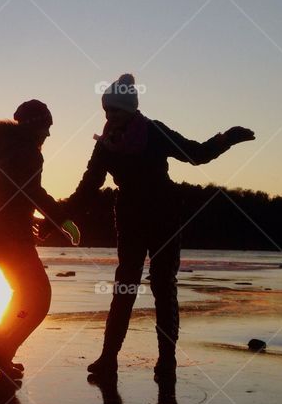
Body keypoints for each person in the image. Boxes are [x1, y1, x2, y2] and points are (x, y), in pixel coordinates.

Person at [62, 74, 254, 380]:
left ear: (132, 109)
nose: (111, 118)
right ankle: (108, 358)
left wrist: (225, 139)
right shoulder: (107, 146)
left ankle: (167, 361)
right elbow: (88, 188)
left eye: (116, 111)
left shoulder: (154, 131)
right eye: (107, 112)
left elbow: (195, 154)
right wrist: (57, 216)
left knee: (163, 286)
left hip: (164, 214)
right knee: (124, 287)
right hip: (129, 218)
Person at [0, 100, 78, 387]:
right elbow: (32, 192)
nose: (48, 134)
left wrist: (30, 219)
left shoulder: (6, 147)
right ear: (35, 126)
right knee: (37, 298)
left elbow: (14, 193)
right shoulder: (28, 152)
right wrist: (63, 220)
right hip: (9, 235)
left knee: (25, 295)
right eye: (46, 127)